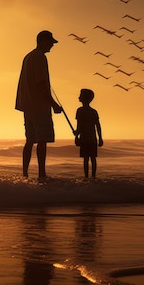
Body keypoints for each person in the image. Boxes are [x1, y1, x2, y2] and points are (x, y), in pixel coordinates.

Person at [15, 30, 63, 179]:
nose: (52, 46)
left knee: (30, 141)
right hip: (39, 106)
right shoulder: (40, 57)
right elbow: (41, 84)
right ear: (42, 41)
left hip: (27, 105)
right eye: (50, 42)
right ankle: (42, 175)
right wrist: (53, 104)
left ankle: (25, 175)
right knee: (42, 140)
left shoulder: (28, 57)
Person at [74, 88, 103, 178]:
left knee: (86, 159)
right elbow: (98, 126)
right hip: (92, 138)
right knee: (93, 158)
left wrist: (76, 135)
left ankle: (86, 177)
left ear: (84, 98)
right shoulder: (93, 112)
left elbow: (79, 126)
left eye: (80, 95)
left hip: (85, 138)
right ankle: (93, 177)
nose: (78, 97)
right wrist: (100, 138)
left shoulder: (80, 111)